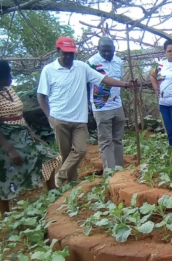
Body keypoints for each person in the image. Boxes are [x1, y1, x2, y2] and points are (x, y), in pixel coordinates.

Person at [37, 36, 136, 187]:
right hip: (59, 117)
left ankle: (62, 175)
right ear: (58, 51)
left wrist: (125, 85)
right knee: (66, 154)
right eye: (66, 53)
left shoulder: (81, 67)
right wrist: (49, 116)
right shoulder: (49, 70)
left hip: (79, 118)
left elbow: (103, 79)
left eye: (72, 53)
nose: (69, 56)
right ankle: (71, 185)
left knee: (80, 150)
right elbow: (41, 95)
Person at [0, 59, 61, 215]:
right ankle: (5, 215)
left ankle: (52, 191)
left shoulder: (7, 88)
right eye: (8, 74)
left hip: (19, 133)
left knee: (48, 156)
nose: (11, 76)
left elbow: (18, 114)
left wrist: (31, 132)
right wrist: (10, 150)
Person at [86, 37, 126, 170]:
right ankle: (110, 172)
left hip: (117, 104)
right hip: (101, 105)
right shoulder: (92, 62)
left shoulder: (118, 61)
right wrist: (88, 104)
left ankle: (120, 169)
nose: (107, 54)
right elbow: (87, 84)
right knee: (105, 141)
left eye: (110, 51)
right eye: (104, 51)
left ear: (114, 49)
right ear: (98, 49)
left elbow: (118, 79)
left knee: (117, 139)